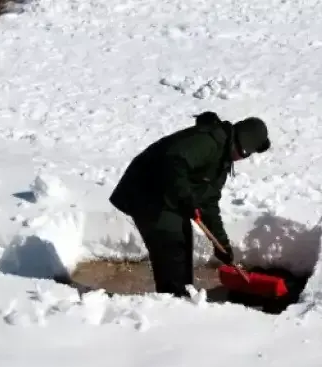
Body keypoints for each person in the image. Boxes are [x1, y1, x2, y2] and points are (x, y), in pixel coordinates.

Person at [108, 111, 272, 298]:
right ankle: (173, 302)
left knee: (183, 242)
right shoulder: (208, 142)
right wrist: (186, 197)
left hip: (168, 198)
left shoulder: (222, 159)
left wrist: (222, 246)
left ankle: (184, 296)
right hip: (146, 193)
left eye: (246, 155)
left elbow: (208, 204)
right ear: (237, 140)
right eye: (242, 152)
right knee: (171, 245)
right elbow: (173, 161)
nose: (240, 158)